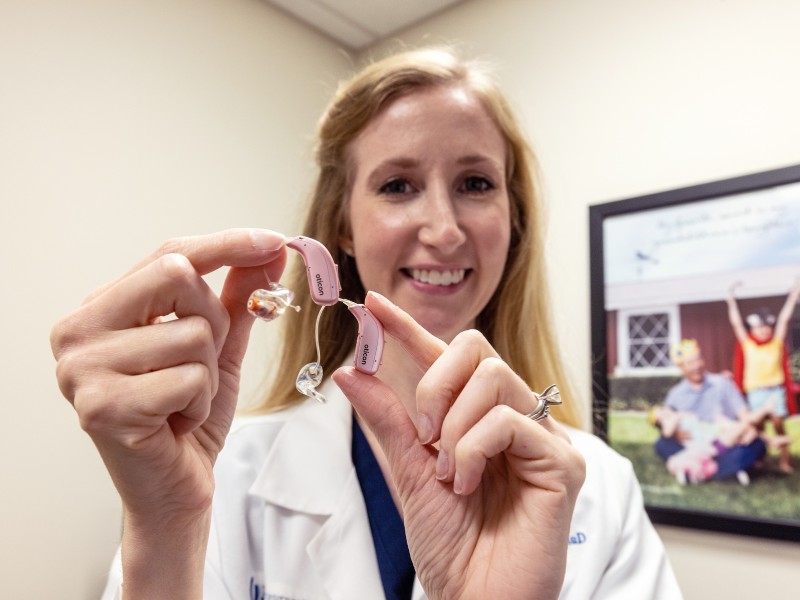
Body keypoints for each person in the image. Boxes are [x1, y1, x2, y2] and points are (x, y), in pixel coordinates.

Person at [50, 48, 681, 599]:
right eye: (399, 185)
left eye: (475, 183)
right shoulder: (228, 473)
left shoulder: (598, 486)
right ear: (342, 228)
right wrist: (165, 524)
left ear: (512, 222)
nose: (443, 229)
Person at [655, 339, 767, 483]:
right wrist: (676, 434)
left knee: (756, 444)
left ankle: (700, 470)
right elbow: (665, 423)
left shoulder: (722, 383)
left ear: (703, 360)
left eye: (698, 360)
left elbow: (743, 413)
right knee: (661, 444)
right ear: (681, 368)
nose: (696, 366)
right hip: (694, 444)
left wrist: (750, 428)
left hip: (726, 440)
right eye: (689, 363)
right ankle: (727, 470)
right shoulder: (675, 394)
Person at [728, 280, 800, 473]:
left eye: (767, 327)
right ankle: (758, 459)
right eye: (759, 328)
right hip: (755, 393)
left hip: (774, 392)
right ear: (752, 330)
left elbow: (784, 320)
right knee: (757, 429)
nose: (764, 330)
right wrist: (731, 301)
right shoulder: (748, 345)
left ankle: (784, 462)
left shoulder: (775, 343)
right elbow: (736, 324)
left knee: (779, 425)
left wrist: (793, 297)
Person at [650, 403, 790, 484]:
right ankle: (766, 413)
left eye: (662, 410)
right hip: (713, 445)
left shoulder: (681, 416)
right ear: (659, 424)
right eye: (660, 416)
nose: (664, 414)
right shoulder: (670, 426)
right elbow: (667, 432)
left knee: (744, 428)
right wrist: (674, 416)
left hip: (714, 435)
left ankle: (770, 439)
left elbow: (700, 423)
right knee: (744, 425)